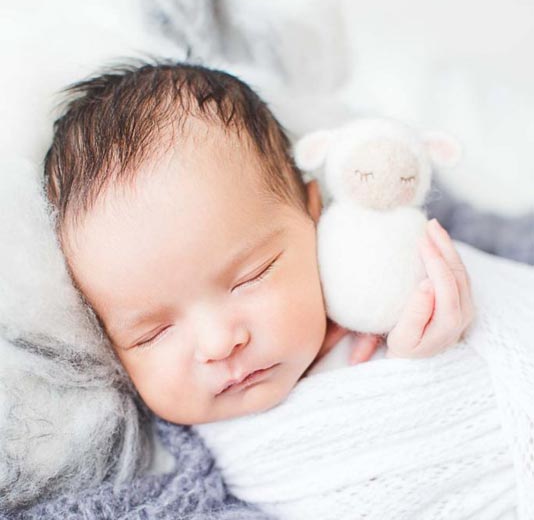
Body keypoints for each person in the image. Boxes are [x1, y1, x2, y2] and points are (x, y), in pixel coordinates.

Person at [43, 61, 473, 427]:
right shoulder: (171, 468)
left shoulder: (383, 290)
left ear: (314, 215)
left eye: (250, 277)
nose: (218, 345)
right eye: (151, 334)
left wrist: (420, 358)